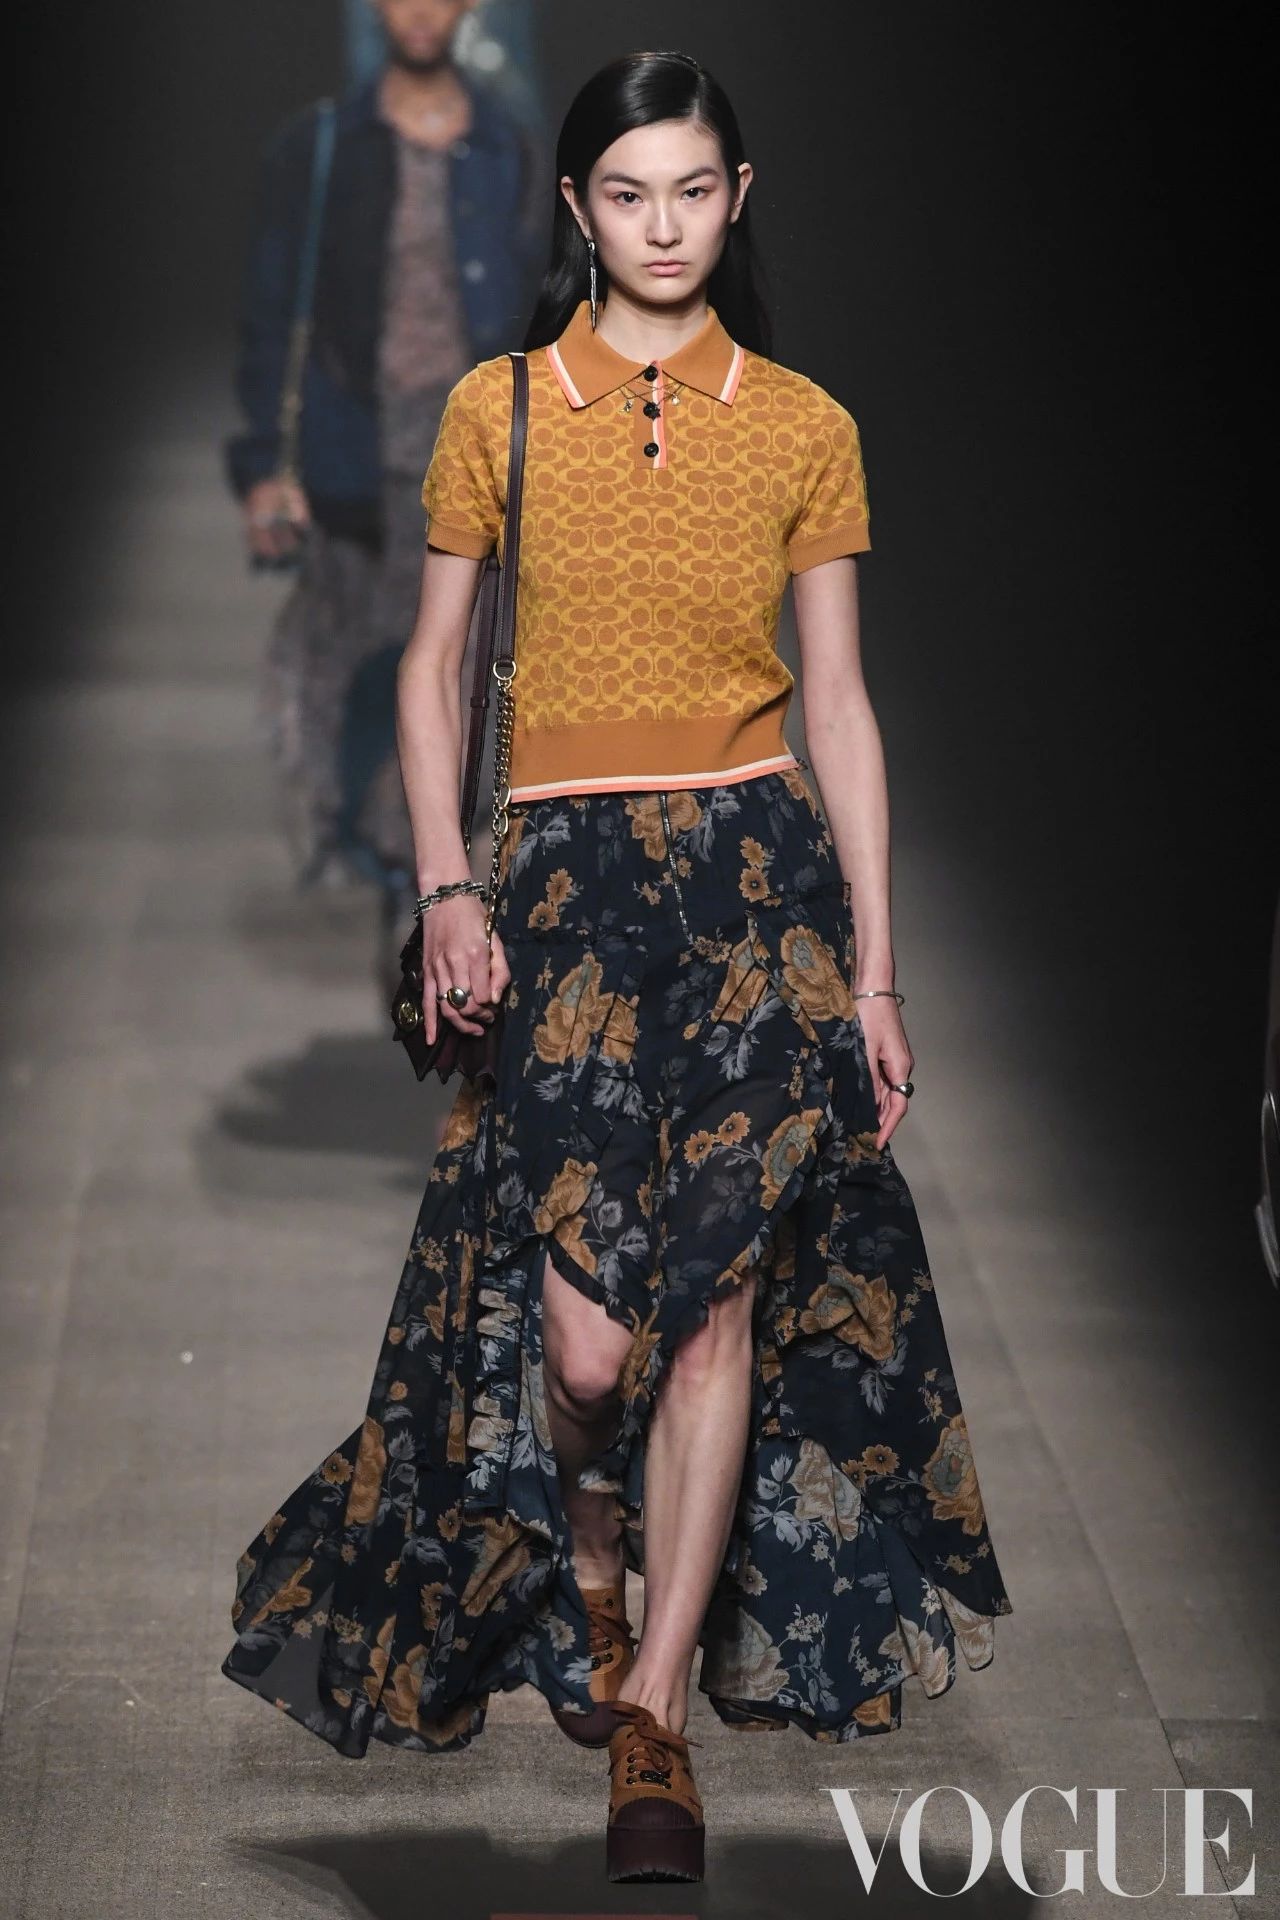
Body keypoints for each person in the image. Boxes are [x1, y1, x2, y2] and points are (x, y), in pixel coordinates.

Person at [221, 48, 1013, 1887]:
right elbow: (432, 666)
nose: (665, 226)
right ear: (577, 208)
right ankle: (591, 1519)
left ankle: (653, 1717)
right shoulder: (499, 410)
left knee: (716, 1303)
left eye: (696, 190)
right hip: (566, 895)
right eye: (630, 194)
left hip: (755, 896)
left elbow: (839, 705)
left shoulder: (805, 425)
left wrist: (877, 973)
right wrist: (445, 886)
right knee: (585, 1345)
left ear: (742, 199)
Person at [227, 0, 542, 983]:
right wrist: (263, 467)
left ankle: (427, 879)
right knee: (348, 677)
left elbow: (545, 317)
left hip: (476, 460)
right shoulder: (318, 147)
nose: (420, 8)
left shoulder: (508, 148)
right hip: (351, 458)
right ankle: (393, 859)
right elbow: (273, 313)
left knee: (468, 676)